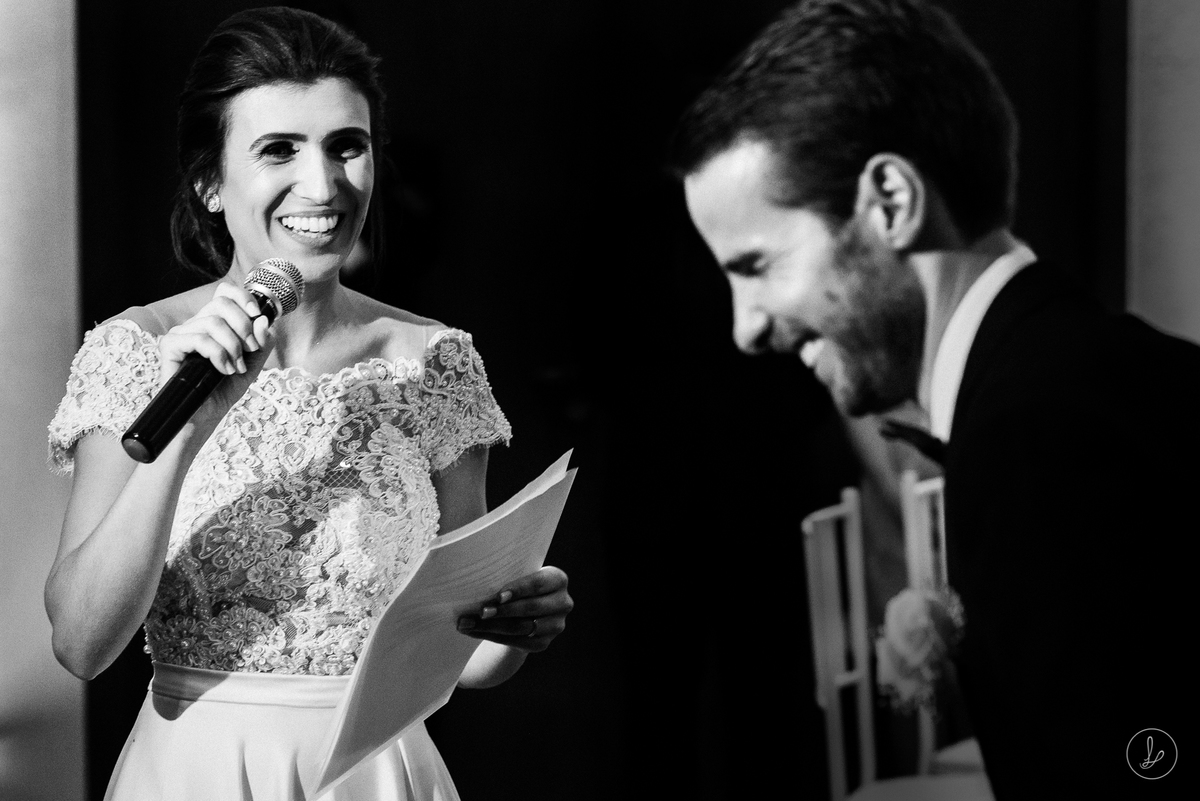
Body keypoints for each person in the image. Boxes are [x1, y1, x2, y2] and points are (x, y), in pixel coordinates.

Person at [45, 7, 573, 799]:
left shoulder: (433, 361)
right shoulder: (137, 352)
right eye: (279, 150)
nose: (323, 186)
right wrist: (188, 429)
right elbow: (82, 644)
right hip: (200, 769)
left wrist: (517, 622)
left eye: (346, 147)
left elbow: (465, 650)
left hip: (377, 771)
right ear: (210, 183)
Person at [672, 0, 1194, 796]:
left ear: (890, 200)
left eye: (756, 265)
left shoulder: (1030, 438)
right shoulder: (1108, 369)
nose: (746, 328)